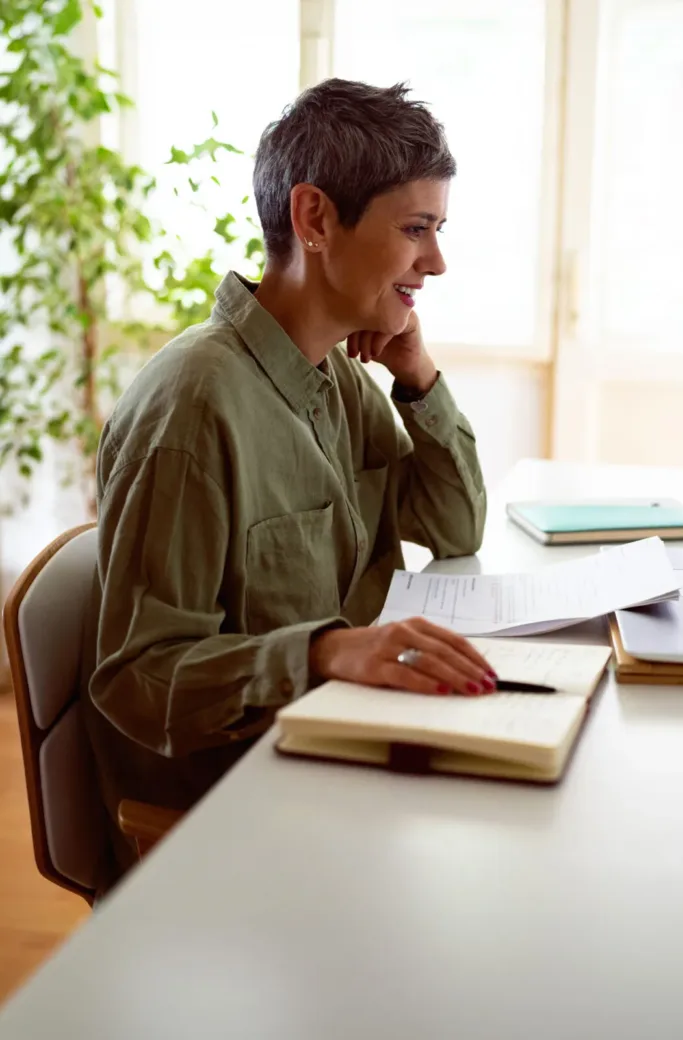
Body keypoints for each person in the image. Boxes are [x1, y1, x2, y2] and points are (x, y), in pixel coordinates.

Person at [82, 79, 496, 883]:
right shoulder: (193, 407)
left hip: (336, 755)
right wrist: (328, 652)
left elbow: (455, 526)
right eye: (416, 229)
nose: (436, 262)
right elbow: (139, 678)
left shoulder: (334, 376)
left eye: (437, 231)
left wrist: (416, 375)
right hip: (243, 817)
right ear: (315, 219)